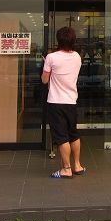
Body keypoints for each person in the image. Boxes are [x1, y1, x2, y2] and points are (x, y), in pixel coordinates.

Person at [42, 26, 85, 179]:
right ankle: (77, 165)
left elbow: (44, 80)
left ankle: (67, 169)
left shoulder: (51, 58)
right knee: (73, 134)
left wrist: (47, 65)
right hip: (71, 101)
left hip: (56, 102)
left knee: (61, 137)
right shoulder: (77, 57)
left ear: (58, 40)